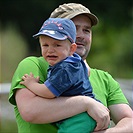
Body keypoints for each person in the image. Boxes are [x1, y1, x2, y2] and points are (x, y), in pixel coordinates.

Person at [8, 3, 133, 133]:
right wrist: (86, 103)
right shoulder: (32, 65)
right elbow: (30, 112)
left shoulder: (105, 79)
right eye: (73, 28)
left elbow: (129, 121)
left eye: (86, 30)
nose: (80, 35)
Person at [20, 17, 102, 133]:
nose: (50, 50)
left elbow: (49, 92)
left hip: (80, 117)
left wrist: (31, 84)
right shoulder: (73, 63)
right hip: (82, 115)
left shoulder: (65, 68)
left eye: (57, 45)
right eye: (45, 45)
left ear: (72, 49)